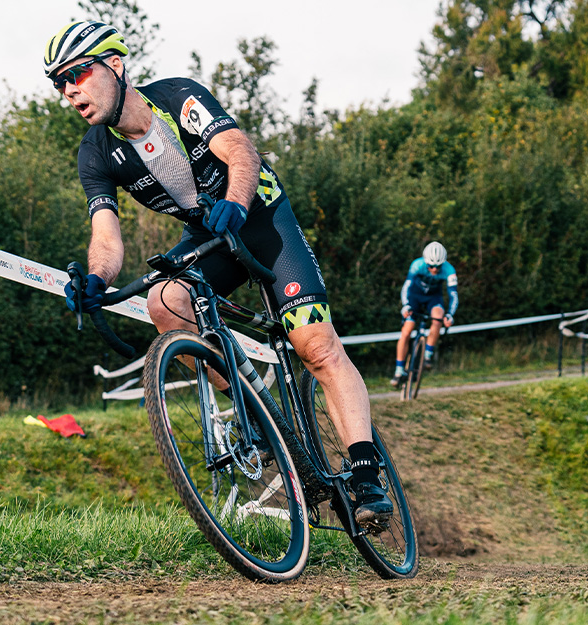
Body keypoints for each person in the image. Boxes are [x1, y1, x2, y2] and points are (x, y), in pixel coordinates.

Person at [44, 21, 391, 526]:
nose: (68, 90)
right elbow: (106, 235)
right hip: (211, 234)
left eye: (76, 73)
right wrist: (96, 279)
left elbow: (240, 152)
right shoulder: (95, 152)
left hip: (261, 218)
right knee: (165, 302)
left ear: (114, 65)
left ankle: (365, 474)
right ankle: (261, 416)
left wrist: (234, 200)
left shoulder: (179, 97)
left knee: (314, 344)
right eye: (58, 82)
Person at [390, 242, 458, 386]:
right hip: (415, 297)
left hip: (433, 298)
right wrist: (406, 306)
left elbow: (453, 294)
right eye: (431, 266)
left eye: (437, 267)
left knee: (438, 317)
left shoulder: (449, 270)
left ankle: (428, 355)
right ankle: (399, 370)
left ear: (443, 264)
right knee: (406, 331)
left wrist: (450, 314)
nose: (434, 269)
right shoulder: (417, 265)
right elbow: (406, 287)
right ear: (425, 262)